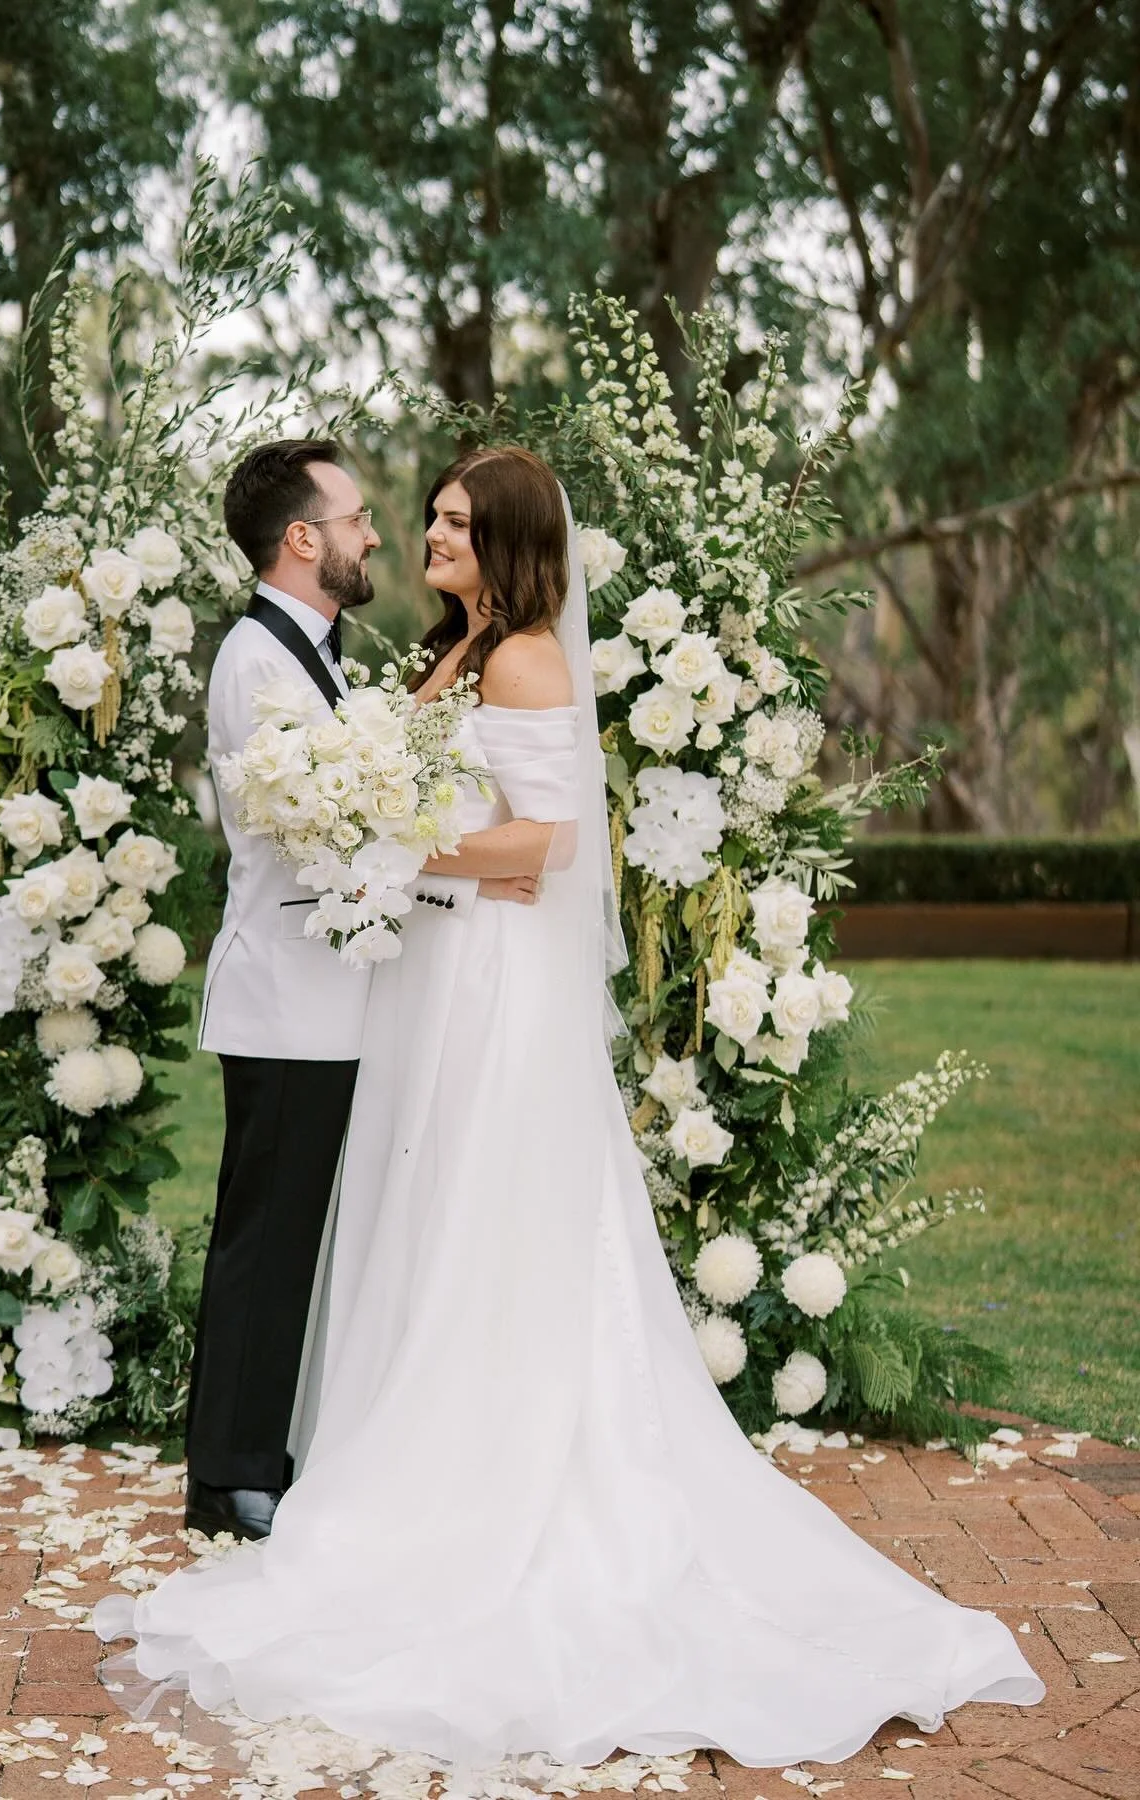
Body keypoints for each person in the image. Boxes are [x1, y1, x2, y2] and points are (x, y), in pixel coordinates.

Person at [95, 446, 1043, 1769]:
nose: (424, 530)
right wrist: (401, 815)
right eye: (415, 516)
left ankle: (478, 1468)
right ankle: (381, 1454)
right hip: (424, 976)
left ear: (510, 541)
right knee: (420, 1221)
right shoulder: (460, 649)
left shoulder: (529, 656)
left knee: (484, 1213)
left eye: (452, 521)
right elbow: (421, 794)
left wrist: (402, 832)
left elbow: (545, 846)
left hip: (486, 987)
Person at [186, 439, 527, 1543]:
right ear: (303, 539)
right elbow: (314, 829)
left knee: (290, 1234)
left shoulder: (314, 650)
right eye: (357, 518)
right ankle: (232, 1473)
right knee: (265, 1236)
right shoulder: (258, 661)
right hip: (287, 994)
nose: (376, 533)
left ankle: (254, 1453)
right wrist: (458, 860)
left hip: (328, 996)